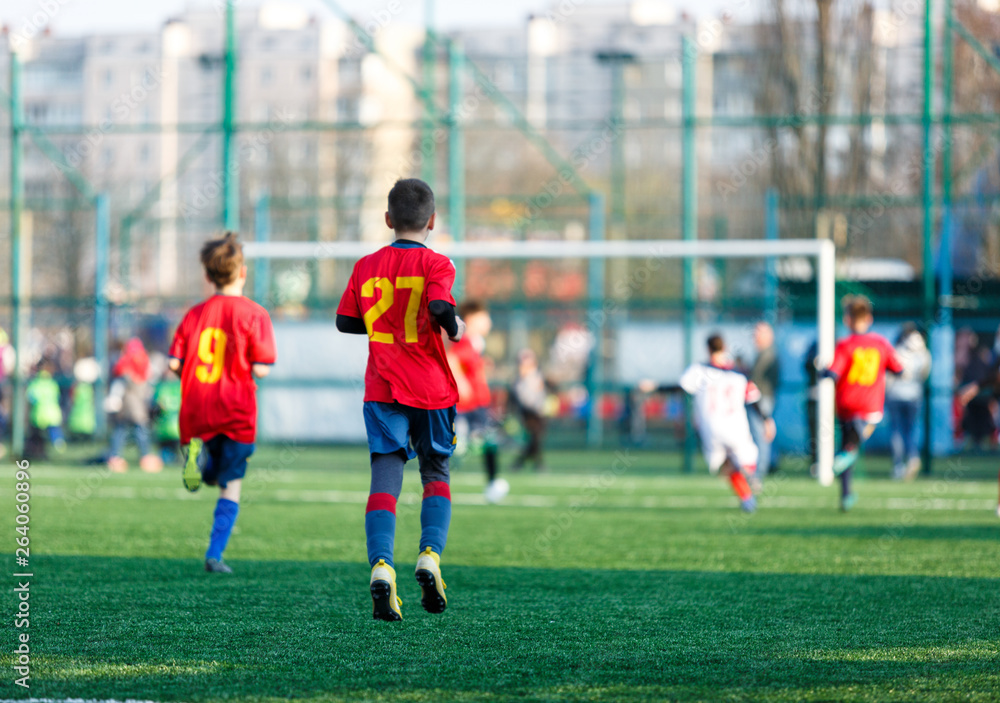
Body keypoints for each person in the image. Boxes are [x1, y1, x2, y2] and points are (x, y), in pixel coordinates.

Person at [335, 178, 464, 622]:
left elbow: (344, 322)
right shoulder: (438, 263)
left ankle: (382, 565)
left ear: (388, 220)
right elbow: (438, 308)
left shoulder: (366, 265)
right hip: (429, 387)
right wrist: (453, 327)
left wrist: (383, 323)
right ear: (432, 221)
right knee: (436, 471)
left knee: (384, 476)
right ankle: (429, 555)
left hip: (382, 387)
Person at [168, 233, 277, 574]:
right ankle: (214, 554)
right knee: (230, 485)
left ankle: (195, 458)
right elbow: (262, 366)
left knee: (210, 463)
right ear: (242, 272)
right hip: (235, 411)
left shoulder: (194, 314)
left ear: (208, 275)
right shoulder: (255, 314)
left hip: (197, 407)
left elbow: (174, 363)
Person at [823, 296, 903, 511]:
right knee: (853, 445)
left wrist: (822, 372)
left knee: (847, 444)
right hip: (870, 404)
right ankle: (847, 454)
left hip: (846, 402)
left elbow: (832, 373)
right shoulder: (880, 343)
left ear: (848, 320)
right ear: (869, 318)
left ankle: (846, 495)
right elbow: (898, 368)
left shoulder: (845, 345)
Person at [679, 334, 774, 513]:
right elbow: (754, 399)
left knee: (725, 465)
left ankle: (746, 499)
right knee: (746, 458)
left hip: (710, 426)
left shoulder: (699, 370)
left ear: (708, 349)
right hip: (735, 424)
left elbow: (681, 388)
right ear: (726, 348)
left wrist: (653, 387)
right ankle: (749, 473)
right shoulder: (739, 373)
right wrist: (766, 420)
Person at [447, 300, 507, 504]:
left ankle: (492, 483)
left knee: (489, 441)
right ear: (472, 319)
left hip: (479, 403)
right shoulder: (464, 340)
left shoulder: (477, 343)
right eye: (485, 317)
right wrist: (462, 382)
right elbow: (451, 358)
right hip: (466, 405)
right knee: (465, 444)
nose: (489, 321)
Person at [107, 338, 161, 474]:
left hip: (129, 405)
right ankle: (143, 456)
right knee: (138, 430)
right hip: (134, 406)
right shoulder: (137, 364)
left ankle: (116, 457)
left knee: (123, 431)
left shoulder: (125, 364)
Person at [886, 324, 931, 481]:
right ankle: (912, 455)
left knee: (897, 431)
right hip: (914, 396)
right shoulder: (924, 354)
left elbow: (890, 375)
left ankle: (898, 466)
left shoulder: (897, 351)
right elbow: (925, 374)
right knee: (910, 430)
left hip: (895, 395)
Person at [749, 321, 780, 478]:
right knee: (761, 435)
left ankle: (760, 471)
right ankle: (763, 467)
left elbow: (756, 380)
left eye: (758, 333)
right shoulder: (762, 354)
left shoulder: (768, 355)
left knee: (762, 435)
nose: (754, 337)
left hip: (761, 399)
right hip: (760, 398)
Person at [510, 349, 548, 472]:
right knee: (535, 437)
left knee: (535, 439)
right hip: (528, 413)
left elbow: (542, 393)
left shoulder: (537, 376)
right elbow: (523, 399)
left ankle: (521, 462)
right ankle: (537, 463)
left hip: (540, 412)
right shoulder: (519, 380)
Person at [26, 359, 65, 459]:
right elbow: (57, 397)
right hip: (53, 415)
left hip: (39, 415)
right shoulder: (53, 383)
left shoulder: (35, 383)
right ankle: (60, 452)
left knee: (37, 438)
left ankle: (38, 453)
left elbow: (31, 398)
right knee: (55, 436)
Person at [152, 371, 183, 463]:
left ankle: (169, 459)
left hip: (165, 426)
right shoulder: (181, 386)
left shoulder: (161, 387)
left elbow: (157, 405)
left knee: (167, 452)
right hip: (176, 427)